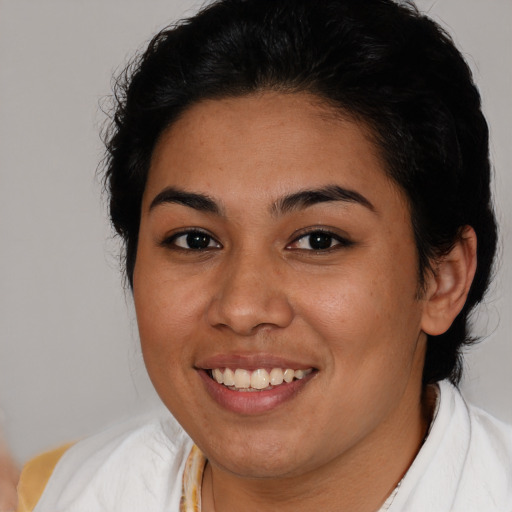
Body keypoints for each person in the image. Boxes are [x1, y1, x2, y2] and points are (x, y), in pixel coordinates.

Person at [16, 0, 512, 510]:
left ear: (443, 280)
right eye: (194, 239)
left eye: (318, 240)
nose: (242, 307)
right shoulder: (64, 494)